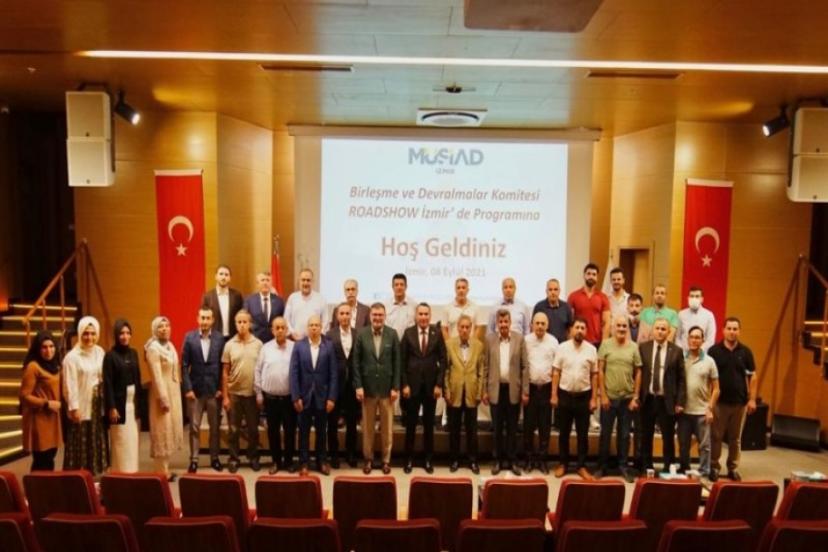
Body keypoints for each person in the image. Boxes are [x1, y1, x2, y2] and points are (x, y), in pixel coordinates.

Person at [353, 303, 401, 474]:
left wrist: (396, 386)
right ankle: (368, 459)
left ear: (385, 316)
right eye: (375, 315)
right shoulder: (361, 334)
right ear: (370, 316)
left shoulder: (392, 334)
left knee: (387, 428)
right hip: (368, 389)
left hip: (387, 390)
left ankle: (386, 460)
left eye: (380, 315)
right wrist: (358, 386)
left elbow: (397, 362)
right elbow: (356, 362)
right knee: (368, 428)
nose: (377, 318)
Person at [707, 317, 757, 482]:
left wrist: (752, 399)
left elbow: (753, 376)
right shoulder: (714, 351)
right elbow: (708, 378)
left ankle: (733, 468)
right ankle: (714, 467)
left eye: (735, 329)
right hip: (719, 403)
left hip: (740, 403)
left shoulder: (746, 352)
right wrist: (709, 402)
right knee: (716, 437)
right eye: (729, 328)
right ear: (723, 330)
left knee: (735, 439)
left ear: (739, 331)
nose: (732, 332)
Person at [634, 317, 685, 472]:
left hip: (667, 400)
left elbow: (681, 379)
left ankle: (668, 467)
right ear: (653, 330)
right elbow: (637, 373)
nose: (660, 331)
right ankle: (646, 466)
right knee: (646, 435)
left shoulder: (676, 351)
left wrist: (680, 402)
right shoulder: (643, 348)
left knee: (668, 436)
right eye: (657, 328)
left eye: (663, 329)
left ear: (668, 332)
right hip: (647, 399)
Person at [400, 303, 446, 473]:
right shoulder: (408, 333)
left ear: (430, 315)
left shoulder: (437, 333)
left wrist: (439, 384)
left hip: (430, 388)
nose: (423, 317)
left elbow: (444, 360)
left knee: (428, 425)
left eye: (426, 314)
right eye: (420, 314)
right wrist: (404, 384)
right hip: (411, 388)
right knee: (411, 425)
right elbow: (402, 361)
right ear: (416, 315)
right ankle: (408, 459)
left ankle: (428, 459)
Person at [290, 315, 338, 475]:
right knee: (303, 432)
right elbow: (293, 373)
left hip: (322, 397)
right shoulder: (299, 346)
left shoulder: (328, 346)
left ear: (321, 327)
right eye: (311, 325)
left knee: (321, 432)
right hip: (303, 397)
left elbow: (333, 374)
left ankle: (321, 461)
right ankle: (304, 462)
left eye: (317, 325)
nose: (314, 328)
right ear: (307, 327)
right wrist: (296, 396)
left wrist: (331, 398)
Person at [595, 315, 642, 482]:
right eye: (619, 326)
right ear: (614, 327)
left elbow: (638, 372)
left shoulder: (634, 347)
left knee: (624, 435)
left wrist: (635, 397)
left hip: (627, 399)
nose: (621, 328)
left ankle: (623, 466)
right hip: (609, 398)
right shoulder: (605, 345)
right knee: (605, 434)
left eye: (624, 326)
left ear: (627, 328)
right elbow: (600, 371)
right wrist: (603, 395)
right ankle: (602, 467)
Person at [484, 309, 529, 476]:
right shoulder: (490, 339)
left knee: (512, 428)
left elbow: (525, 367)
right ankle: (497, 460)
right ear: (497, 323)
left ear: (510, 323)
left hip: (513, 390)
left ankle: (512, 460)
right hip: (495, 390)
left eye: (506, 322)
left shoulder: (519, 339)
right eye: (500, 322)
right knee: (496, 428)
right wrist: (484, 390)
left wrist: (525, 391)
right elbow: (486, 366)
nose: (503, 324)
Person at [551, 318, 597, 480]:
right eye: (577, 327)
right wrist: (554, 395)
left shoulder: (591, 349)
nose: (580, 331)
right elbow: (556, 372)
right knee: (563, 433)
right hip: (564, 395)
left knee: (582, 434)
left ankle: (581, 466)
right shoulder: (562, 348)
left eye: (583, 328)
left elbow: (594, 375)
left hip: (583, 396)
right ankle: (563, 464)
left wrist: (594, 398)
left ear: (586, 331)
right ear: (571, 330)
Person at [63, 316, 109, 474]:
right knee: (80, 441)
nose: (89, 337)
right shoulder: (72, 357)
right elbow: (70, 384)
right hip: (81, 404)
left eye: (93, 333)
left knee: (96, 439)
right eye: (86, 333)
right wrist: (74, 407)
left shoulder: (100, 352)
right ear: (79, 333)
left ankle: (94, 477)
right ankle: (78, 477)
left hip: (97, 404)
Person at [181, 308, 224, 473]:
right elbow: (184, 365)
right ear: (197, 319)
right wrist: (188, 388)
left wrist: (220, 388)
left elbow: (223, 366)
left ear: (212, 320)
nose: (205, 321)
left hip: (214, 391)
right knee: (194, 427)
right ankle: (194, 460)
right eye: (202, 318)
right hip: (195, 391)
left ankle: (215, 458)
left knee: (214, 427)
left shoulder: (220, 338)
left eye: (208, 318)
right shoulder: (189, 337)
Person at [221, 309, 264, 472]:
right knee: (233, 430)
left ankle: (253, 457)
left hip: (252, 394)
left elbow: (262, 370)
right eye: (239, 322)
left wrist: (260, 393)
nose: (242, 325)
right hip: (234, 394)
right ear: (235, 324)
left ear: (250, 324)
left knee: (253, 430)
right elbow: (225, 372)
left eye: (245, 322)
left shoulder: (258, 344)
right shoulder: (229, 345)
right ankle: (233, 458)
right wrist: (225, 396)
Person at [255, 317, 297, 473]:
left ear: (287, 330)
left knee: (290, 431)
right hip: (270, 399)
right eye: (277, 328)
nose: (280, 330)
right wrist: (258, 393)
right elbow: (257, 370)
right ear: (272, 330)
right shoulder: (265, 348)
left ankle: (289, 462)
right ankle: (276, 462)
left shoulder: (294, 348)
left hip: (289, 398)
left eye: (282, 327)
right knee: (273, 432)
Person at [145, 316, 184, 480]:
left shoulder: (170, 345)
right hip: (161, 394)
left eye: (167, 326)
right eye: (160, 327)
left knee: (169, 430)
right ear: (155, 329)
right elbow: (156, 376)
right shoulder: (153, 348)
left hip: (173, 391)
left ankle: (165, 469)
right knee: (161, 431)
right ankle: (160, 472)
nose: (164, 329)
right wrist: (163, 398)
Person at [444, 315, 484, 474]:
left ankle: (473, 461)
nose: (465, 330)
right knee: (454, 430)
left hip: (472, 393)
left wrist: (480, 392)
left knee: (472, 430)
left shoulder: (478, 346)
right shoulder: (449, 344)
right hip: (454, 393)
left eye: (468, 327)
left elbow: (481, 371)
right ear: (458, 328)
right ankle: (454, 460)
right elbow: (446, 370)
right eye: (462, 327)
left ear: (471, 328)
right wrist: (447, 390)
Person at [678, 326, 719, 477]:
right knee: (683, 445)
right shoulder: (680, 359)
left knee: (705, 446)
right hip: (684, 411)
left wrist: (710, 408)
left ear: (702, 340)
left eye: (697, 337)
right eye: (692, 337)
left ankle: (704, 472)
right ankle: (684, 469)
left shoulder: (710, 361)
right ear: (687, 339)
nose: (694, 340)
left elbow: (716, 389)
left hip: (702, 411)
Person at [103, 319, 142, 473]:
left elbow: (137, 378)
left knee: (132, 441)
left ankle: (132, 472)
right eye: (121, 333)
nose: (125, 336)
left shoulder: (134, 353)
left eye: (127, 333)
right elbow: (108, 384)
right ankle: (121, 474)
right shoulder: (110, 356)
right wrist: (112, 407)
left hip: (132, 404)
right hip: (119, 406)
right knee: (120, 441)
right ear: (116, 336)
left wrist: (139, 405)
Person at [20, 331, 62, 471]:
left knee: (50, 457)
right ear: (38, 349)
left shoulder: (56, 365)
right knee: (42, 460)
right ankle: (36, 485)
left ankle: (45, 484)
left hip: (53, 418)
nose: (48, 351)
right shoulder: (33, 366)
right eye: (44, 347)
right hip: (39, 419)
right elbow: (24, 396)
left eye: (51, 346)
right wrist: (46, 403)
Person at [522, 312, 558, 474]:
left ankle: (543, 461)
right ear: (532, 325)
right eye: (537, 323)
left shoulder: (553, 342)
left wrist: (554, 393)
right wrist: (524, 391)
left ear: (547, 325)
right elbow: (522, 366)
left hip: (546, 389)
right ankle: (529, 460)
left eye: (543, 323)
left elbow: (556, 367)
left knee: (545, 427)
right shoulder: (526, 341)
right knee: (528, 427)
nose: (540, 326)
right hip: (530, 389)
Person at [326, 303, 360, 468]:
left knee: (352, 422)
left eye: (348, 313)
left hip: (353, 384)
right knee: (332, 422)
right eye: (342, 313)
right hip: (335, 384)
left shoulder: (358, 334)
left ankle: (350, 453)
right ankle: (333, 455)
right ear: (337, 316)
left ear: (351, 315)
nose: (345, 316)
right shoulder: (329, 335)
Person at [567, 263, 611, 347]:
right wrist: (571, 340)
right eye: (588, 274)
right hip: (578, 340)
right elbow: (570, 322)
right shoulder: (573, 296)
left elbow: (607, 323)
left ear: (597, 277)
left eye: (594, 274)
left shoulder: (603, 297)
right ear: (584, 275)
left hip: (596, 342)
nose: (591, 276)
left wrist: (604, 344)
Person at [284, 268, 329, 340]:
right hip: (295, 340)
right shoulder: (292, 298)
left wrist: (318, 335)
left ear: (312, 282)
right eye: (303, 280)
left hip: (315, 340)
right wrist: (292, 333)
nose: (305, 283)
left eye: (308, 280)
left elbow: (325, 321)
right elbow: (286, 319)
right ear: (299, 281)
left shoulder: (321, 299)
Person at [201, 264, 244, 340]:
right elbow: (203, 319)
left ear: (230, 278)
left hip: (234, 338)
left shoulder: (237, 295)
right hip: (214, 338)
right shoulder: (207, 296)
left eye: (226, 275)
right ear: (216, 276)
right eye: (221, 274)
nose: (223, 277)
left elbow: (242, 315)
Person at [244, 271, 285, 344]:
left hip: (274, 341)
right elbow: (246, 321)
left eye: (268, 280)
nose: (265, 283)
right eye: (262, 280)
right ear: (257, 283)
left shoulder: (279, 301)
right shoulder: (249, 301)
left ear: (271, 283)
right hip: (255, 341)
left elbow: (283, 320)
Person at [676, 286, 716, 352]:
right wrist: (682, 351)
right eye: (692, 296)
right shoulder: (681, 314)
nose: (694, 298)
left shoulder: (709, 315)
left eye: (697, 296)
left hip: (702, 354)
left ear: (702, 299)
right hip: (684, 353)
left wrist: (700, 350)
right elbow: (677, 337)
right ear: (688, 298)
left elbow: (710, 339)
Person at [533, 278, 573, 343]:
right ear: (546, 291)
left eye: (555, 289)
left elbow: (570, 329)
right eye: (550, 289)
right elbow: (533, 328)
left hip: (562, 345)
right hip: (544, 345)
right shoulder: (539, 307)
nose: (553, 292)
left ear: (559, 291)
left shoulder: (566, 307)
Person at [384, 273, 417, 339]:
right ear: (392, 287)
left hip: (409, 342)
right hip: (390, 342)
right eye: (396, 285)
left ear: (406, 286)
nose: (399, 287)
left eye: (402, 285)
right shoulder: (386, 305)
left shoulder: (414, 305)